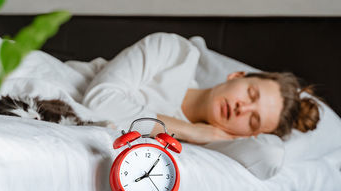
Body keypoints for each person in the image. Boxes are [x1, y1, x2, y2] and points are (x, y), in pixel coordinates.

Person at [81, 32, 320, 144]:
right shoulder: (176, 53)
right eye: (250, 94)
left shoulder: (208, 147)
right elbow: (99, 101)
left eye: (253, 120)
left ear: (249, 136)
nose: (242, 108)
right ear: (236, 75)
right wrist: (189, 130)